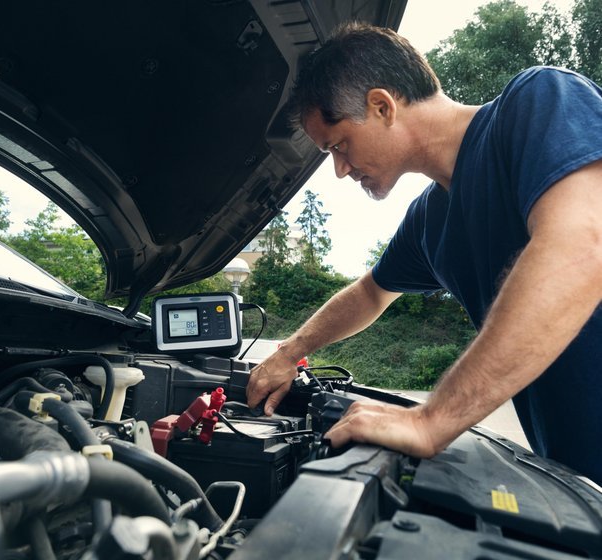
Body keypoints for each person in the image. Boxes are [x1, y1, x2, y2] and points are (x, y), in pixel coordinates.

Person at [246, 22, 602, 484]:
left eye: (338, 145)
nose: (339, 170)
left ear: (382, 106)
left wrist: (431, 420)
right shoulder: (429, 221)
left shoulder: (540, 101)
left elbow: (581, 248)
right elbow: (370, 294)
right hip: (577, 477)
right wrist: (288, 352)